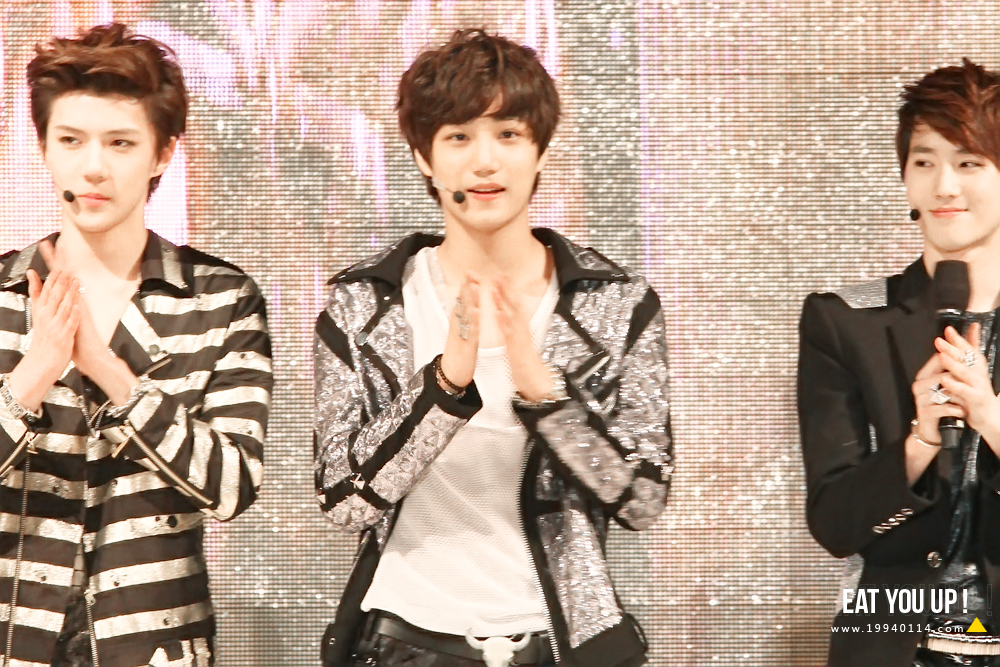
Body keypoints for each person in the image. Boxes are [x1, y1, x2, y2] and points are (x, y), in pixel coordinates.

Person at [314, 28, 672, 667]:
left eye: (508, 134)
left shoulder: (616, 304)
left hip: (561, 645)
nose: (485, 162)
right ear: (424, 157)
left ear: (540, 149)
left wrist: (547, 397)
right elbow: (344, 501)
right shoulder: (367, 304)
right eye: (458, 137)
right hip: (406, 642)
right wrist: (443, 387)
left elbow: (643, 501)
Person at [0, 23, 272, 667]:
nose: (93, 167)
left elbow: (232, 484)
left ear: (162, 154)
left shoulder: (219, 298)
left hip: (155, 648)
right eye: (71, 140)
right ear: (44, 148)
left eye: (120, 143)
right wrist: (33, 374)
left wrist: (108, 369)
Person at [799, 59, 1000, 667]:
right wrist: (920, 441)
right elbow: (835, 525)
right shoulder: (845, 319)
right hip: (891, 639)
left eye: (969, 163)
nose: (945, 186)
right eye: (924, 162)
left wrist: (989, 417)